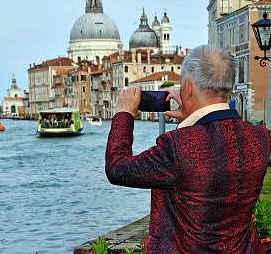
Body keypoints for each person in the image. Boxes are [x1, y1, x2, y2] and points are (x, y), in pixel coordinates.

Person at [105, 44, 271, 253]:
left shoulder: (176, 145)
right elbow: (219, 154)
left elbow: (117, 168)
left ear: (189, 87)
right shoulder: (260, 137)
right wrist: (194, 121)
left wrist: (124, 114)